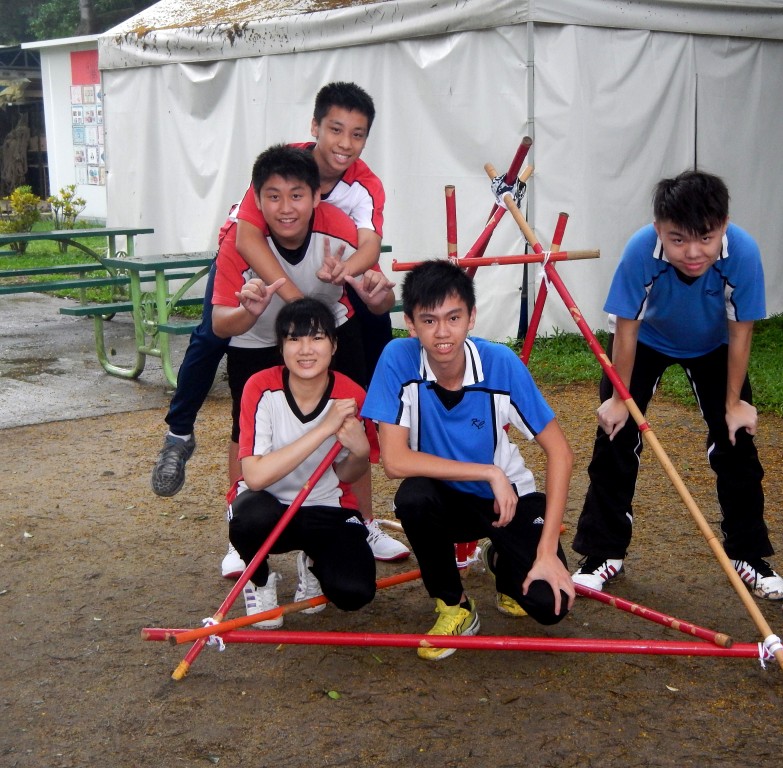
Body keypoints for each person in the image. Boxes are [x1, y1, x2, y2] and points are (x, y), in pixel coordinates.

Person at [149, 81, 409, 566]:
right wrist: (296, 308)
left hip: (325, 289)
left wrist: (351, 275)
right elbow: (248, 240)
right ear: (314, 128)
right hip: (265, 293)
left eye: (357, 134)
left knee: (359, 377)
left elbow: (370, 247)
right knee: (214, 341)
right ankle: (185, 440)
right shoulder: (280, 168)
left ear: (316, 197)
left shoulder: (359, 193)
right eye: (335, 129)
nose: (344, 143)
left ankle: (362, 520)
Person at [570, 170, 783, 600]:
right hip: (646, 341)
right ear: (659, 230)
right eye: (678, 240)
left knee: (737, 440)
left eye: (706, 238)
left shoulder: (743, 252)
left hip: (714, 344)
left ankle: (749, 554)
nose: (692, 252)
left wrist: (734, 403)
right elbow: (626, 328)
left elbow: (741, 331)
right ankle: (602, 553)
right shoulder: (641, 250)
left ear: (724, 226)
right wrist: (619, 398)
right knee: (615, 435)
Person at [361, 260, 576, 660]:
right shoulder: (397, 359)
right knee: (412, 497)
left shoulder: (501, 363)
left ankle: (502, 561)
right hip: (444, 500)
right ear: (410, 324)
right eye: (429, 320)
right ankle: (455, 605)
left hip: (506, 501)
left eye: (453, 318)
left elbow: (561, 452)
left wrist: (547, 551)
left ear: (472, 317)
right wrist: (488, 471)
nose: (442, 332)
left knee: (549, 606)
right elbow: (394, 461)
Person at [229, 297, 378, 627]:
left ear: (334, 345)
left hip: (326, 505)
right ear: (281, 346)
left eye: (317, 338)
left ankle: (313, 564)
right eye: (294, 339)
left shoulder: (352, 396)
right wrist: (323, 429)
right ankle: (259, 579)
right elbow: (255, 477)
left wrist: (360, 453)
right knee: (247, 518)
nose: (305, 349)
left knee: (354, 592)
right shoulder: (260, 387)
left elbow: (346, 473)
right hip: (267, 505)